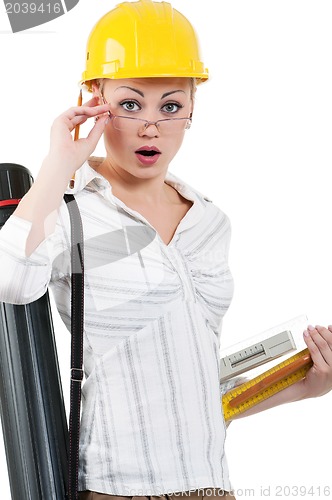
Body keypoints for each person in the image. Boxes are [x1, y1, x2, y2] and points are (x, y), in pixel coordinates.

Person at [0, 1, 331, 499]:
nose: (150, 125)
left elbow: (197, 386)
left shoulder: (210, 220)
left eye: (170, 106)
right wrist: (57, 162)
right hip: (118, 490)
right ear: (95, 98)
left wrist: (304, 384)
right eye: (130, 104)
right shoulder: (69, 206)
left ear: (193, 106)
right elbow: (11, 281)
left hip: (212, 489)